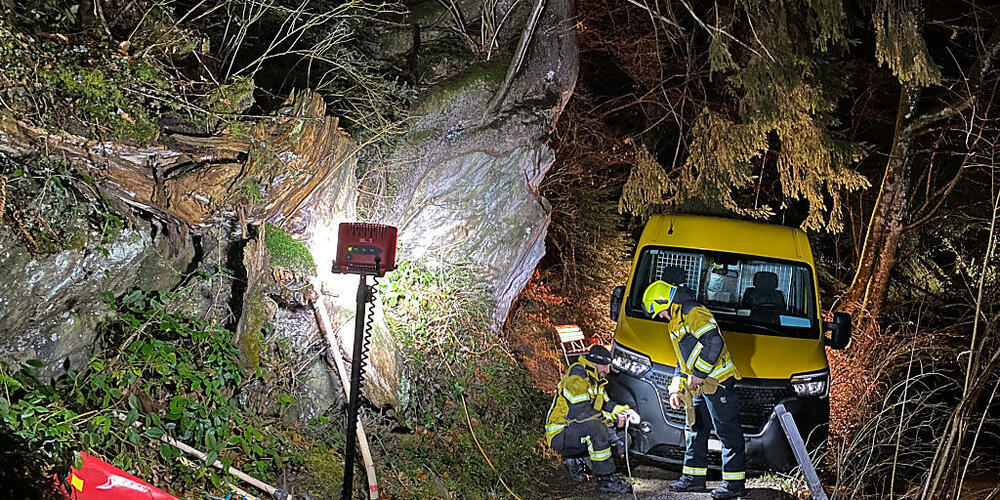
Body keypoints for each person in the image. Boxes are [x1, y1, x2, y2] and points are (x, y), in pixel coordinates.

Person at [643, 279, 746, 499]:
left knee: (727, 432)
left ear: (665, 302)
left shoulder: (693, 312)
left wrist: (698, 375)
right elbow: (683, 361)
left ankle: (734, 485)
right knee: (695, 429)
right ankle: (693, 479)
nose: (661, 317)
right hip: (701, 386)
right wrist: (675, 389)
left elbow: (714, 343)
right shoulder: (676, 321)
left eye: (660, 312)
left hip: (718, 383)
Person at [545, 344, 640, 494]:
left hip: (575, 430)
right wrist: (614, 420)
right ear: (597, 364)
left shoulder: (595, 380)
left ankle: (577, 460)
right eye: (606, 367)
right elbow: (581, 413)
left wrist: (625, 411)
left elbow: (606, 404)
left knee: (623, 439)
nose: (608, 371)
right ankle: (605, 479)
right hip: (560, 433)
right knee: (596, 429)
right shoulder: (577, 377)